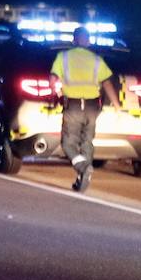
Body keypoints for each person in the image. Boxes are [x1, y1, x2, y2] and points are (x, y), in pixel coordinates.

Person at [50, 26, 118, 192]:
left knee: (68, 143)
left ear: (74, 40)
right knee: (87, 141)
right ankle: (83, 178)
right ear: (88, 41)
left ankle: (83, 168)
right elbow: (107, 82)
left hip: (72, 106)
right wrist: (116, 104)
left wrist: (55, 92)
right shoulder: (97, 60)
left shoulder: (63, 57)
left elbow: (53, 79)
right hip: (92, 107)